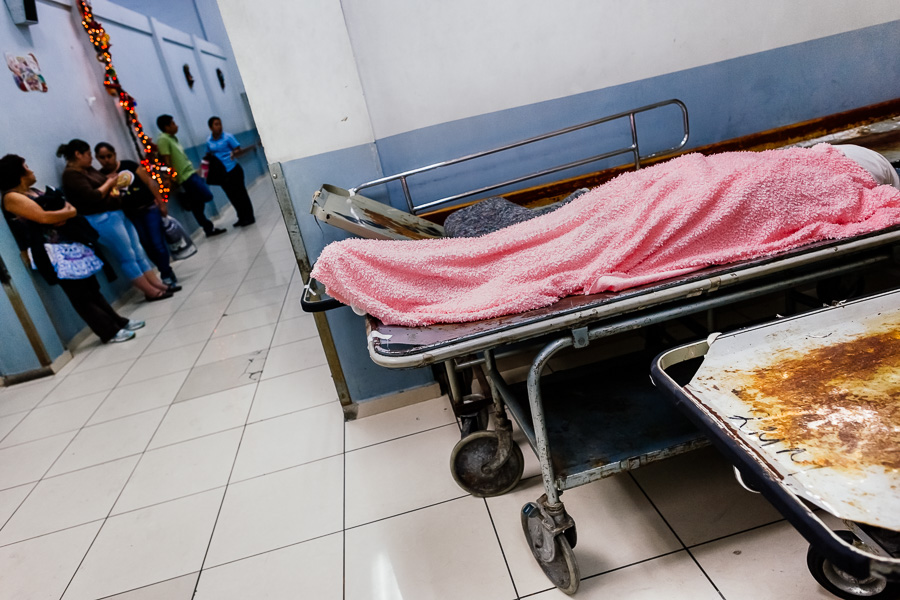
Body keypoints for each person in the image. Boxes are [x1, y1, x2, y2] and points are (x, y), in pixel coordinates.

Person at [0, 154, 142, 343]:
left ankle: (119, 322)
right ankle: (108, 331)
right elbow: (43, 217)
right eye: (26, 166)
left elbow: (69, 208)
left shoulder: (32, 191)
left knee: (92, 289)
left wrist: (64, 213)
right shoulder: (12, 197)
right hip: (52, 252)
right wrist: (63, 213)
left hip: (69, 246)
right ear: (17, 172)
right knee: (79, 295)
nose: (31, 170)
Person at [56, 139, 177, 301]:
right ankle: (150, 291)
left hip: (116, 213)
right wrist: (110, 183)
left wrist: (113, 186)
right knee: (126, 255)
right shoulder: (71, 176)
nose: (92, 159)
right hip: (101, 219)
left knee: (137, 251)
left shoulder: (88, 169)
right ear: (78, 155)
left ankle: (157, 284)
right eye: (89, 155)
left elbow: (106, 186)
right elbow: (93, 196)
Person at [94, 142, 177, 286]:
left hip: (149, 208)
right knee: (146, 244)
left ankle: (166, 274)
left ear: (114, 154)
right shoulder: (102, 177)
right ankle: (165, 269)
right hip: (130, 215)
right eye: (102, 157)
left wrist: (161, 202)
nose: (106, 160)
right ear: (97, 158)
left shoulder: (129, 166)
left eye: (109, 156)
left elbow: (150, 182)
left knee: (157, 243)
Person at [155, 114, 226, 237]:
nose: (176, 125)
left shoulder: (173, 138)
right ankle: (197, 211)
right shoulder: (163, 139)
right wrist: (170, 178)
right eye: (173, 123)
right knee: (206, 196)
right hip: (185, 177)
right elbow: (166, 161)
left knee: (198, 204)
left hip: (190, 173)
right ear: (166, 127)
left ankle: (208, 228)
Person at [206, 116, 255, 226]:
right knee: (232, 196)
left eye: (220, 123)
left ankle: (249, 217)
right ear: (210, 127)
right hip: (221, 174)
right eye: (216, 124)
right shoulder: (209, 141)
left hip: (233, 170)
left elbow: (237, 148)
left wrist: (235, 152)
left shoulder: (228, 137)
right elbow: (208, 155)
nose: (219, 126)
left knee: (241, 194)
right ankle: (241, 217)